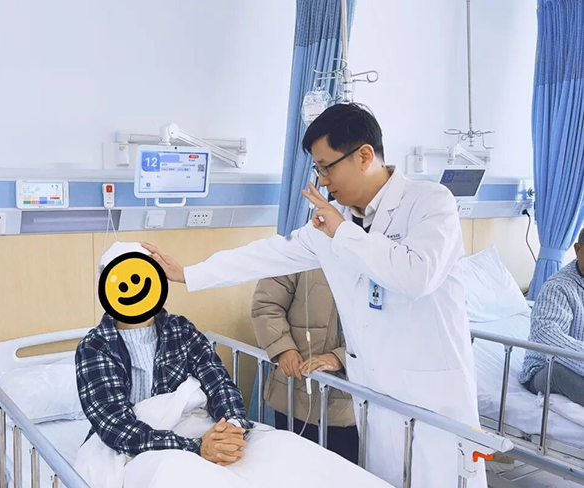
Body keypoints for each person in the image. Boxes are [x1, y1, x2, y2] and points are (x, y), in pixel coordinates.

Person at [142, 103, 485, 488]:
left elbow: (416, 276)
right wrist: (189, 273)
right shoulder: (333, 220)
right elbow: (267, 255)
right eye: (317, 170)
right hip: (377, 396)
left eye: (326, 167)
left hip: (432, 398)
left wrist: (342, 232)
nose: (321, 181)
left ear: (364, 156)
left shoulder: (429, 202)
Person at [75, 242, 251, 467]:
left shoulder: (181, 330)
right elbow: (115, 426)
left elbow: (218, 384)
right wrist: (196, 447)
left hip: (194, 428)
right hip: (131, 446)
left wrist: (232, 426)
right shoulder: (95, 347)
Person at [251, 270, 358, 463]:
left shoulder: (374, 259)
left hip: (348, 405)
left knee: (339, 471)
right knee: (289, 466)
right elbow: (266, 305)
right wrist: (283, 348)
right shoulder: (297, 256)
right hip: (293, 391)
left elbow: (386, 328)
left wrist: (341, 358)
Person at [520, 227, 584, 407]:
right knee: (557, 372)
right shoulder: (558, 287)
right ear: (578, 249)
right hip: (545, 367)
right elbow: (546, 334)